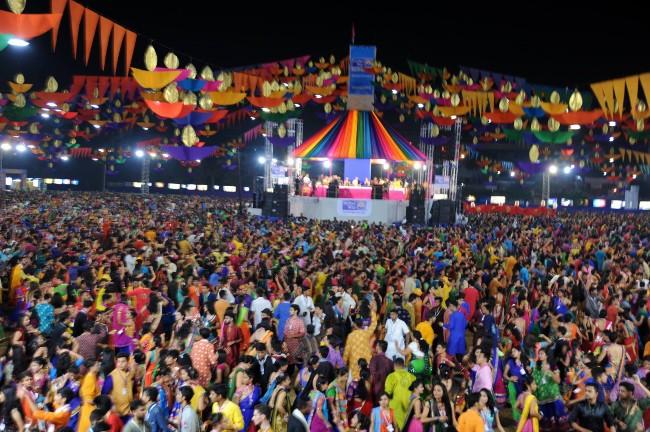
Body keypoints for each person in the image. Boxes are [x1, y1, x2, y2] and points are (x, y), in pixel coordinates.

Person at [384, 357, 416, 428]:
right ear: (403, 365)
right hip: (410, 407)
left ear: (394, 366)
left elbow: (387, 393)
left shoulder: (391, 377)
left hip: (397, 408)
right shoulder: (412, 376)